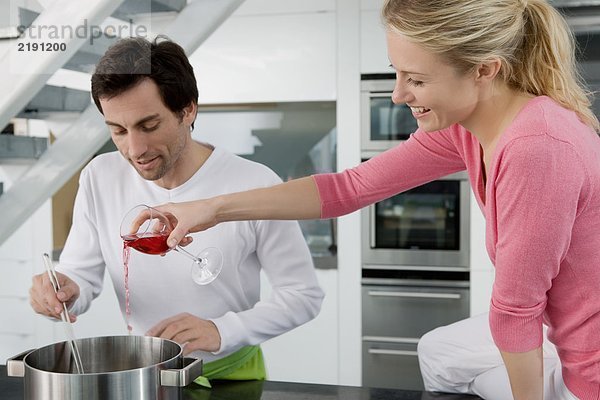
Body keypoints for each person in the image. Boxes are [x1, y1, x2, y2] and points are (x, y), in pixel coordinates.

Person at [136, 1, 600, 399]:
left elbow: (517, 311)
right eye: (399, 73)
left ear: (484, 69)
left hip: (588, 365)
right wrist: (210, 209)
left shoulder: (537, 148)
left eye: (416, 79)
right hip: (557, 327)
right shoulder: (468, 127)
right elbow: (348, 189)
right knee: (438, 352)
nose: (399, 94)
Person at [28, 36, 324, 386]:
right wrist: (63, 290)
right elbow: (80, 273)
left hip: (230, 375)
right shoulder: (99, 176)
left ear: (188, 110)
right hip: (141, 375)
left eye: (149, 126)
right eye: (118, 131)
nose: (135, 149)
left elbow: (303, 295)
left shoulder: (256, 183)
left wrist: (221, 330)